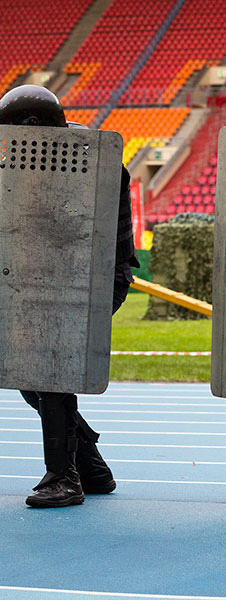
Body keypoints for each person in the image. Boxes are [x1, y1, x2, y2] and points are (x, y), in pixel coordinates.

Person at [0, 84, 139, 508]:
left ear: (32, 128)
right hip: (41, 276)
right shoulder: (27, 160)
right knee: (31, 378)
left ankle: (64, 477)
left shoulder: (91, 156)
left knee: (48, 366)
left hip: (93, 278)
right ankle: (90, 467)